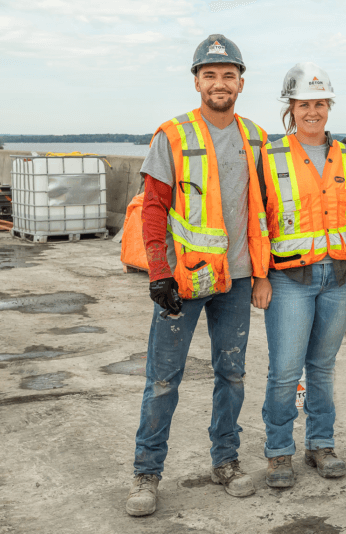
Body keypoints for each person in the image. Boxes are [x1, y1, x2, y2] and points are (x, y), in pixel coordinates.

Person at [125, 34, 271, 517]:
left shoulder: (256, 137)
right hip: (183, 282)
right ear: (197, 82)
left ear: (241, 83)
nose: (219, 83)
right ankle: (147, 473)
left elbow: (274, 199)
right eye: (210, 75)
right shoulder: (172, 134)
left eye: (228, 75)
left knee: (232, 373)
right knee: (163, 379)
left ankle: (225, 461)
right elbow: (153, 209)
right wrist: (158, 272)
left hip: (237, 278)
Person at [251, 62, 346, 488]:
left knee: (322, 367)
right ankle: (279, 452)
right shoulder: (269, 157)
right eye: (304, 104)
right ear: (291, 107)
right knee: (285, 370)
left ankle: (321, 444)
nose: (313, 112)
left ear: (329, 106)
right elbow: (257, 222)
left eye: (320, 103)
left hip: (341, 277)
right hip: (288, 280)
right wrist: (260, 277)